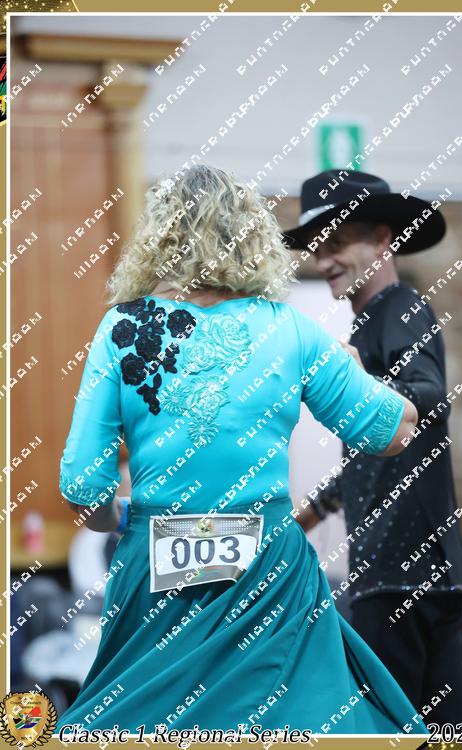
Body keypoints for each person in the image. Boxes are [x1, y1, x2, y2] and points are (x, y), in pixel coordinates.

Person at [55, 164, 425, 736]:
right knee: (299, 723)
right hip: (269, 576)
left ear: (159, 238)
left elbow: (83, 488)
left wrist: (123, 518)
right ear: (252, 239)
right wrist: (354, 369)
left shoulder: (122, 331)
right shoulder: (289, 329)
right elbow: (394, 432)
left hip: (153, 568)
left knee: (138, 728)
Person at [288, 170, 462, 724]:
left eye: (338, 243)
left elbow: (428, 395)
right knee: (445, 724)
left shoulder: (399, 308)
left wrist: (356, 381)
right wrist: (314, 510)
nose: (324, 261)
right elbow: (375, 448)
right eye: (317, 248)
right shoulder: (376, 321)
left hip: (402, 575)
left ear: (383, 240)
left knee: (388, 726)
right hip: (412, 574)